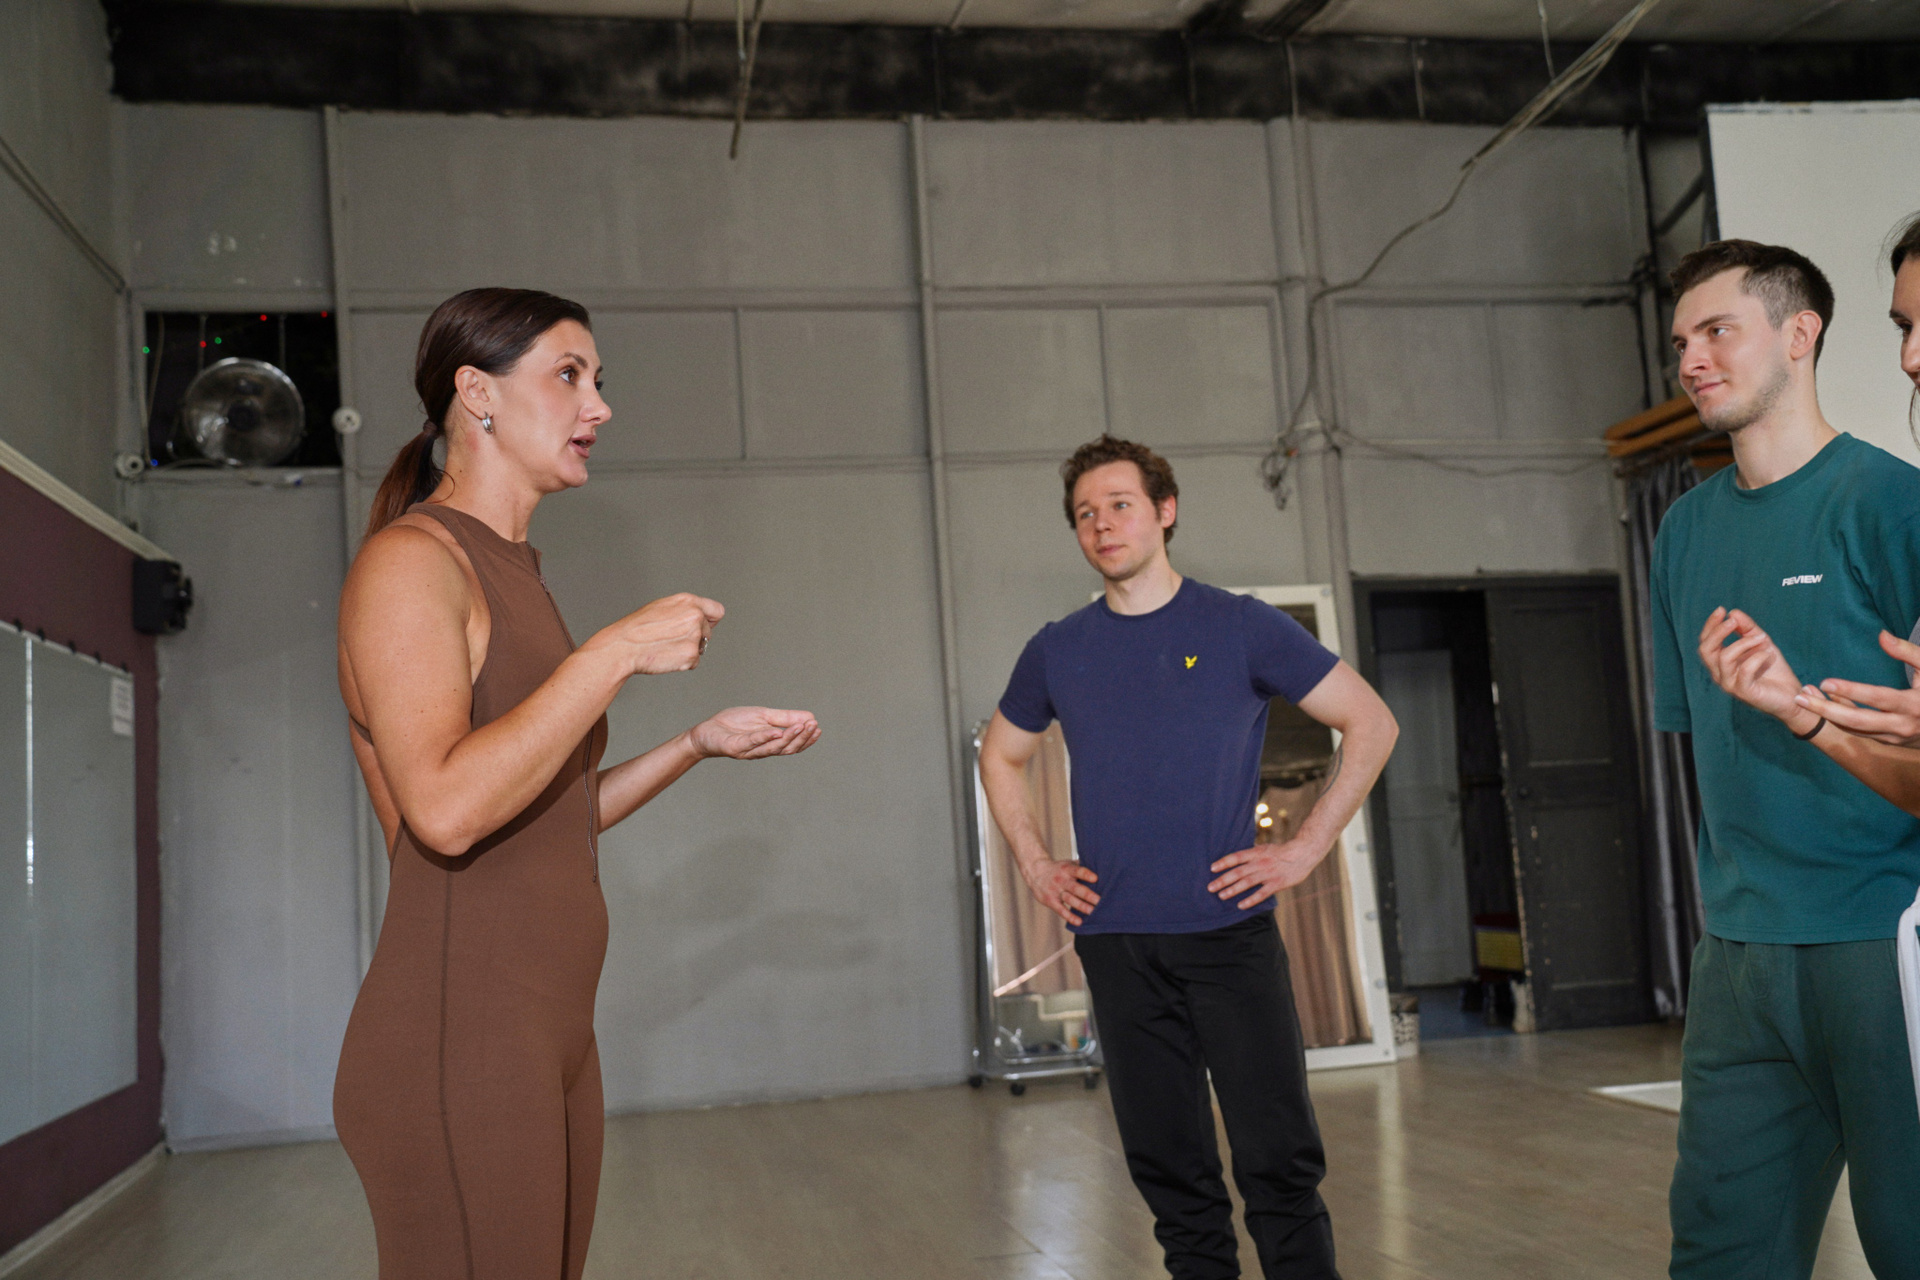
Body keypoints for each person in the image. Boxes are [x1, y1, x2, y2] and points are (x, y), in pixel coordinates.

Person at [332, 287, 820, 1280]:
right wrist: (613, 652)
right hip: (460, 1036)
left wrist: (694, 743)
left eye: (598, 380)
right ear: (478, 393)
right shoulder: (411, 564)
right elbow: (447, 810)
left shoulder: (515, 569)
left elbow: (551, 818)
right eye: (569, 375)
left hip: (547, 1034)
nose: (599, 405)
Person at [978, 436, 1397, 1280]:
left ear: (1164, 511)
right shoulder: (1058, 648)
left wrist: (1305, 848)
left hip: (1228, 937)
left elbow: (1371, 722)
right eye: (1085, 513)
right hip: (1117, 944)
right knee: (1174, 1179)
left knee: (1278, 1164)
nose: (1102, 524)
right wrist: (1035, 865)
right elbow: (1000, 753)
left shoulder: (1240, 625)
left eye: (1120, 504)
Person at [1650, 240, 1920, 1279]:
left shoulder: (1892, 504)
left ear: (1799, 333)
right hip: (1739, 954)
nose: (1692, 359)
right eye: (1682, 340)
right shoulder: (1682, 532)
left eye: (1718, 331)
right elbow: (1704, 745)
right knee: (1721, 1251)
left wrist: (1809, 713)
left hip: (1882, 940)